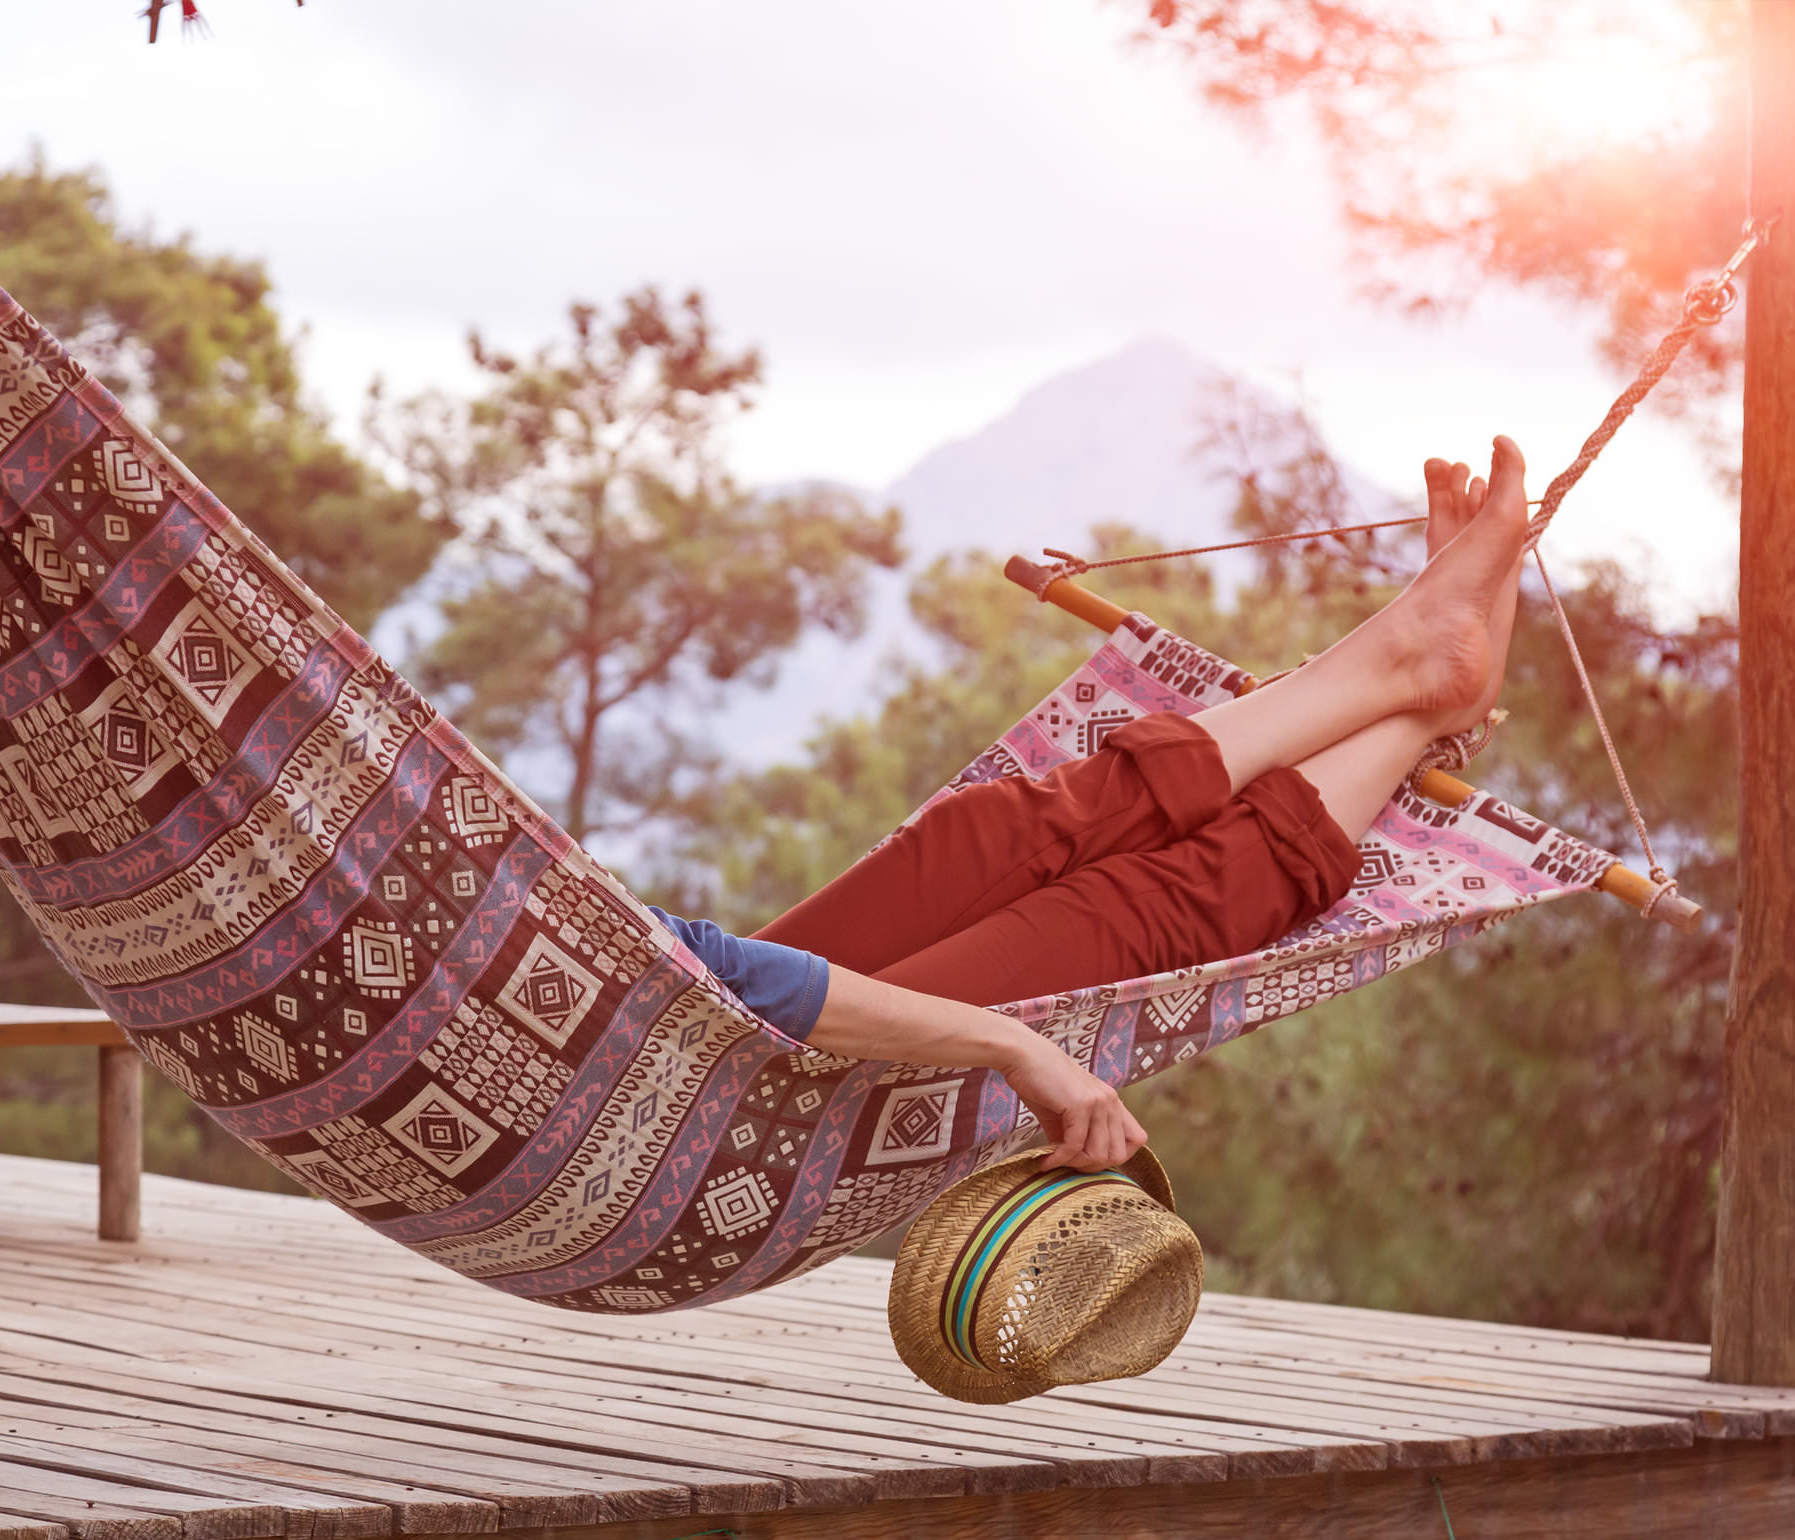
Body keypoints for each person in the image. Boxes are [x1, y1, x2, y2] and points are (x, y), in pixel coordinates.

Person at [650, 438, 1533, 1178]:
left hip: (678, 992)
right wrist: (1015, 1046)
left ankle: (1417, 690)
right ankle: (1409, 685)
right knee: (1116, 917)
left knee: (985, 830)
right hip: (722, 1109)